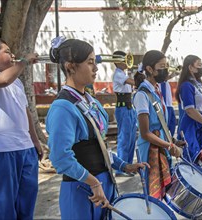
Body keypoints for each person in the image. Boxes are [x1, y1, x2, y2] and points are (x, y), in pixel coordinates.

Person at [45, 37, 148, 219]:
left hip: (102, 184)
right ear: (70, 66)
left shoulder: (90, 101)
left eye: (95, 62)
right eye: (90, 63)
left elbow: (99, 146)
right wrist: (93, 182)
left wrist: (124, 165)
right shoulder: (63, 107)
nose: (96, 68)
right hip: (81, 189)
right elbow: (60, 157)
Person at [0, 36, 43, 219]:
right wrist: (24, 61)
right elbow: (3, 81)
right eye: (7, 52)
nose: (13, 55)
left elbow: (26, 113)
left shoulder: (16, 82)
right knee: (6, 201)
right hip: (1, 148)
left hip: (25, 147)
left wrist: (35, 141)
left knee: (28, 199)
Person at [133, 50, 184, 200]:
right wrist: (169, 146)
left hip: (161, 144)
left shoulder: (156, 91)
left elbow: (161, 124)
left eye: (166, 66)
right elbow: (145, 133)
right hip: (150, 149)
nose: (166, 70)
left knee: (163, 193)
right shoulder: (142, 95)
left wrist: (172, 141)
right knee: (152, 192)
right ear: (149, 69)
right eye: (162, 66)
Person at [175, 55, 202, 162]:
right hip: (191, 126)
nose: (201, 68)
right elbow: (190, 110)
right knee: (192, 159)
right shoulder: (186, 86)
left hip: (200, 124)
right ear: (190, 67)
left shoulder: (199, 84)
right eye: (199, 65)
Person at [112, 50, 137, 177]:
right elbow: (132, 82)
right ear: (117, 62)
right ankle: (121, 168)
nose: (127, 62)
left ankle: (129, 166)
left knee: (132, 138)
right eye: (124, 60)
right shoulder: (118, 74)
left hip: (129, 107)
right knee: (124, 138)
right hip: (122, 108)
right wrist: (142, 80)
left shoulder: (123, 73)